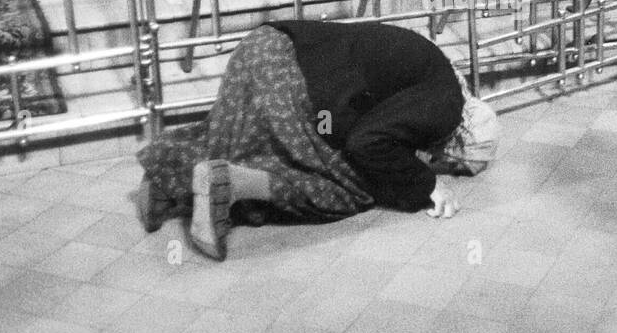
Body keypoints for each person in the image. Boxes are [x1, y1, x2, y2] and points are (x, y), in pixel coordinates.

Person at [134, 19, 499, 261]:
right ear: (459, 140)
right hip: (295, 85)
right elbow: (367, 143)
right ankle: (227, 182)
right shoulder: (445, 108)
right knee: (348, 188)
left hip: (265, 45)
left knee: (235, 136)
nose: (443, 163)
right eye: (455, 164)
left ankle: (166, 174)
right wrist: (427, 185)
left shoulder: (437, 70)